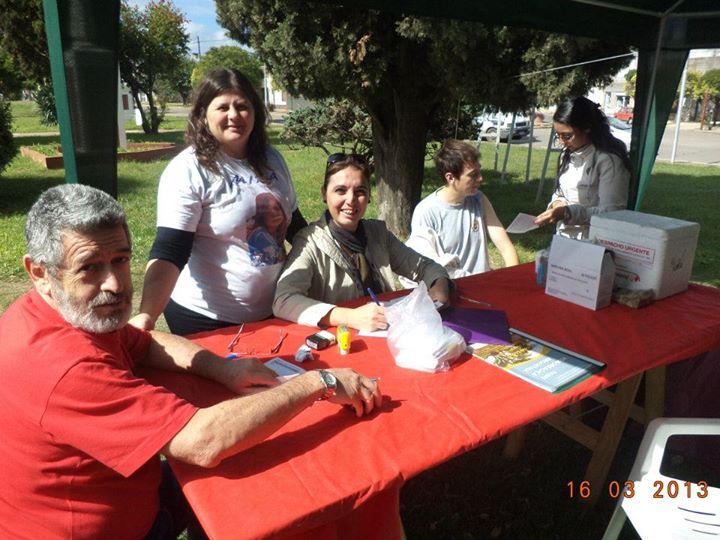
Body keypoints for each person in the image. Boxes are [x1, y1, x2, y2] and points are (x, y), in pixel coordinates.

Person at [0, 184, 381, 539]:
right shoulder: (64, 366)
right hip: (104, 527)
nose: (115, 284)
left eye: (120, 260)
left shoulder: (58, 311)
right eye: (89, 267)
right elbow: (201, 441)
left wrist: (224, 368)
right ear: (39, 273)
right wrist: (320, 383)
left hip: (123, 485)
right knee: (269, 488)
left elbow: (142, 342)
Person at [130, 68, 307, 336]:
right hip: (205, 318)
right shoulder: (188, 170)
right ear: (203, 114)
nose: (234, 115)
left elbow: (297, 229)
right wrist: (146, 315)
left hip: (274, 310)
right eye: (222, 107)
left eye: (242, 106)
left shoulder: (273, 160)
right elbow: (170, 251)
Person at [273, 153, 452, 332]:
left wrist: (439, 285)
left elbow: (425, 267)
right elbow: (283, 300)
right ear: (324, 194)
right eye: (340, 191)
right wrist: (349, 317)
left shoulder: (378, 234)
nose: (350, 200)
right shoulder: (309, 242)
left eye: (360, 192)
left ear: (368, 197)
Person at [408, 139, 518, 277]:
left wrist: (514, 276)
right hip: (451, 289)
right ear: (450, 178)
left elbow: (505, 246)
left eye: (479, 172)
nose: (480, 179)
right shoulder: (426, 212)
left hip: (482, 286)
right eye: (473, 175)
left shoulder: (479, 199)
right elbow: (426, 267)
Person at [534, 96, 632, 239]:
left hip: (594, 241)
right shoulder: (567, 155)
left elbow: (612, 213)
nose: (562, 142)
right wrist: (557, 203)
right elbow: (561, 192)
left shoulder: (609, 160)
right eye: (558, 136)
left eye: (567, 136)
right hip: (564, 237)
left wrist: (568, 212)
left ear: (587, 128)